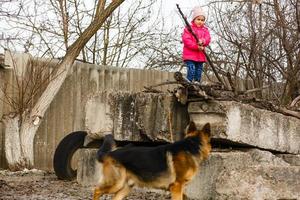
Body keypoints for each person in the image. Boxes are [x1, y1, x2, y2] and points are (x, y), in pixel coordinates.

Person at [182, 6, 211, 83]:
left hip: (200, 56)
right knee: (191, 69)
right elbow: (186, 40)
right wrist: (196, 46)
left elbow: (208, 39)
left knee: (198, 71)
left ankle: (197, 83)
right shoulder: (188, 29)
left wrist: (203, 41)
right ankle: (188, 82)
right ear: (194, 19)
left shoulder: (205, 30)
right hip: (190, 55)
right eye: (198, 19)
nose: (200, 21)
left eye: (202, 20)